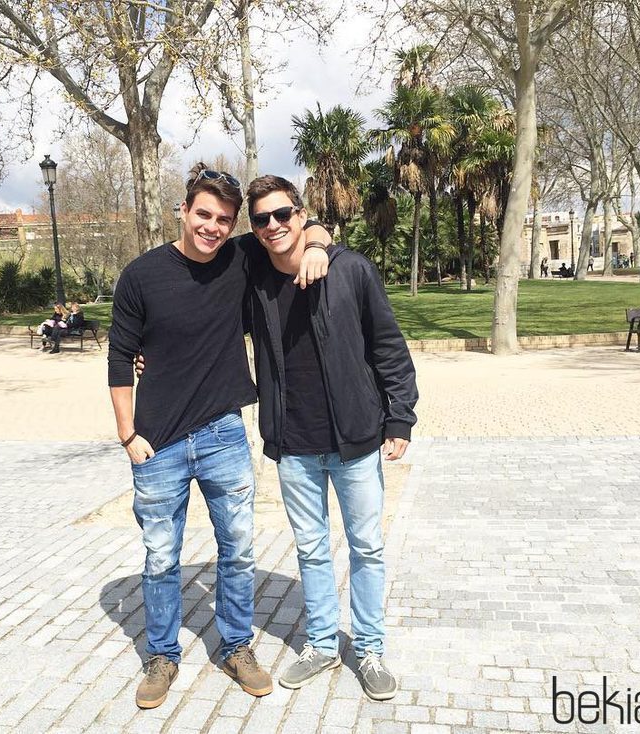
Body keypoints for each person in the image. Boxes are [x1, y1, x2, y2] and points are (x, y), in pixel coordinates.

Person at [107, 164, 332, 710]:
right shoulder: (141, 275)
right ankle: (161, 655)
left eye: (223, 220)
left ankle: (236, 646)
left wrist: (321, 244)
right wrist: (127, 435)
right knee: (161, 557)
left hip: (223, 434)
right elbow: (119, 357)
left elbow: (299, 230)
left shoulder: (241, 256)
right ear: (183, 211)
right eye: (203, 214)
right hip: (156, 442)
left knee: (237, 550)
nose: (212, 227)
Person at [244, 176, 418, 701]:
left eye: (283, 215)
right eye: (261, 219)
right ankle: (321, 643)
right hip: (293, 442)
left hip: (356, 439)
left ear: (300, 213)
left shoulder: (352, 270)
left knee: (366, 546)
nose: (273, 226)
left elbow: (387, 345)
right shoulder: (250, 274)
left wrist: (400, 415)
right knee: (312, 549)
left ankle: (368, 648)